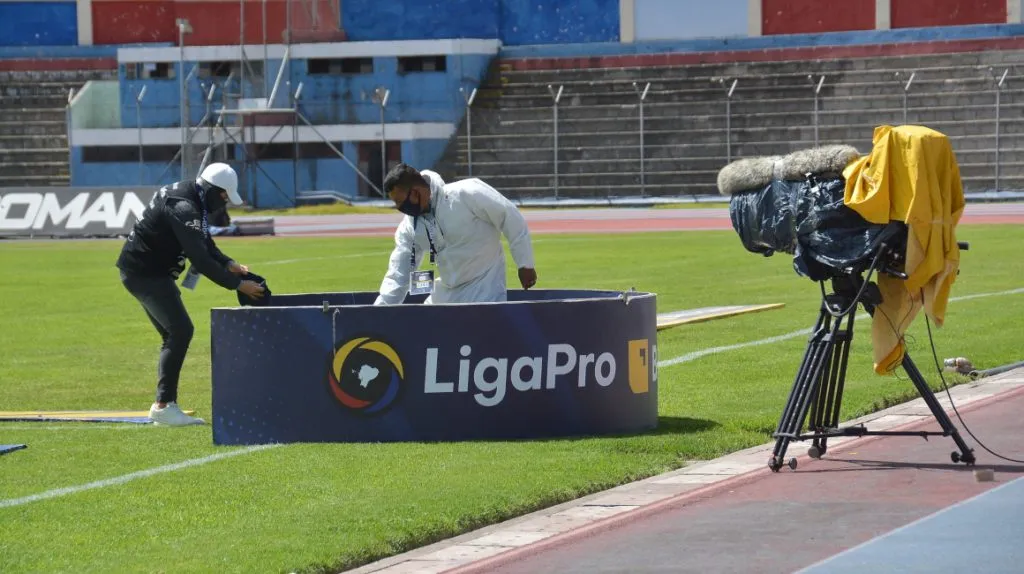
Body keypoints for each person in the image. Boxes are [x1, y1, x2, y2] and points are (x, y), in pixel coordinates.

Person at [116, 163, 265, 426]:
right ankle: (163, 406)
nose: (224, 204)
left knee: (174, 333)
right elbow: (201, 259)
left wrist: (228, 262)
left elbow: (203, 239)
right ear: (213, 190)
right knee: (180, 331)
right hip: (145, 274)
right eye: (223, 197)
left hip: (146, 271)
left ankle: (164, 405)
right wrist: (238, 285)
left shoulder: (190, 195)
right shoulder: (184, 207)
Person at [374, 164, 538, 306]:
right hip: (446, 292)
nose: (399, 208)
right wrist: (377, 312)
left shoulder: (467, 193)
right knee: (422, 328)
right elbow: (399, 274)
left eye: (400, 202)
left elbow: (509, 216)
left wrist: (525, 264)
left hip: (485, 290)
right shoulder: (409, 227)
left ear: (416, 193)